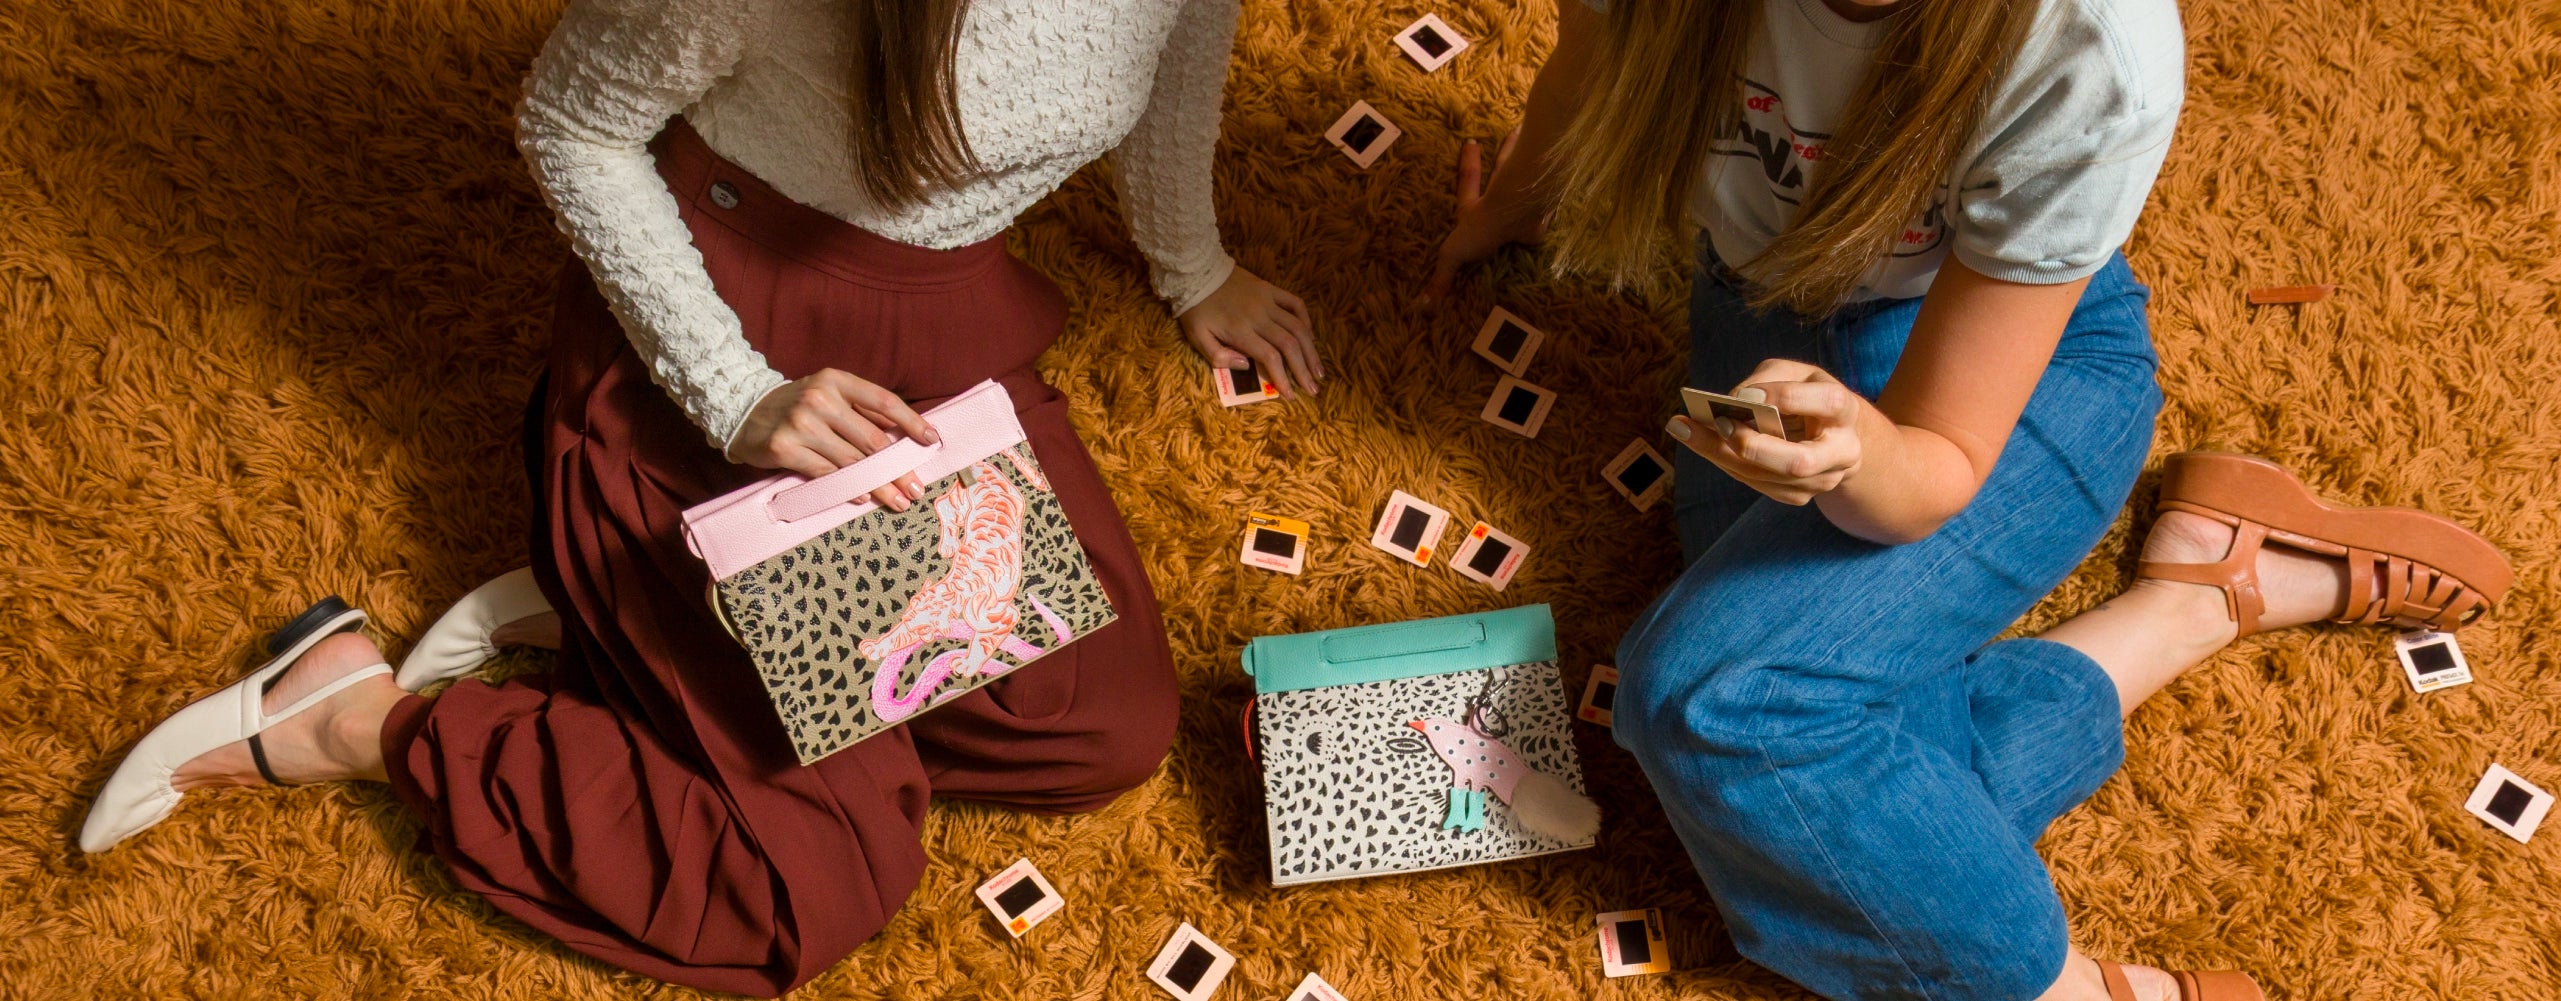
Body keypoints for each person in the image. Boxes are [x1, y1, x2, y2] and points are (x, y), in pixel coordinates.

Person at [81, 0, 1319, 993]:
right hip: (723, 348)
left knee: (1100, 726)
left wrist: (1193, 264)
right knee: (811, 885)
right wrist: (735, 394)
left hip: (935, 342)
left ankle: (626, 619)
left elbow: (1180, 49)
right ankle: (352, 711)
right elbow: (570, 121)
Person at [1425, 1, 2509, 1000]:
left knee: (1713, 704)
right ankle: (2196, 591)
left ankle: (2067, 991)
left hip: (2013, 375)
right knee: (1806, 806)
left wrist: (1853, 455)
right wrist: (1517, 203)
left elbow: (1930, 465)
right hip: (1763, 315)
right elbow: (1597, 61)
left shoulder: (2094, 51)